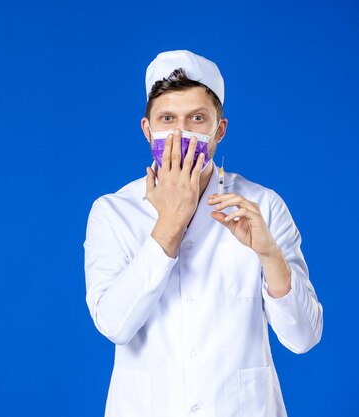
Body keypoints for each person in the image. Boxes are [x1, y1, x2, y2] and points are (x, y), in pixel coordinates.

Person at [84, 50, 323, 417]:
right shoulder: (113, 211)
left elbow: (304, 338)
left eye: (197, 118)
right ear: (148, 130)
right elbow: (115, 325)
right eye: (167, 118)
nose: (180, 134)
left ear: (219, 129)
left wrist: (270, 254)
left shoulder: (263, 205)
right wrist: (170, 224)